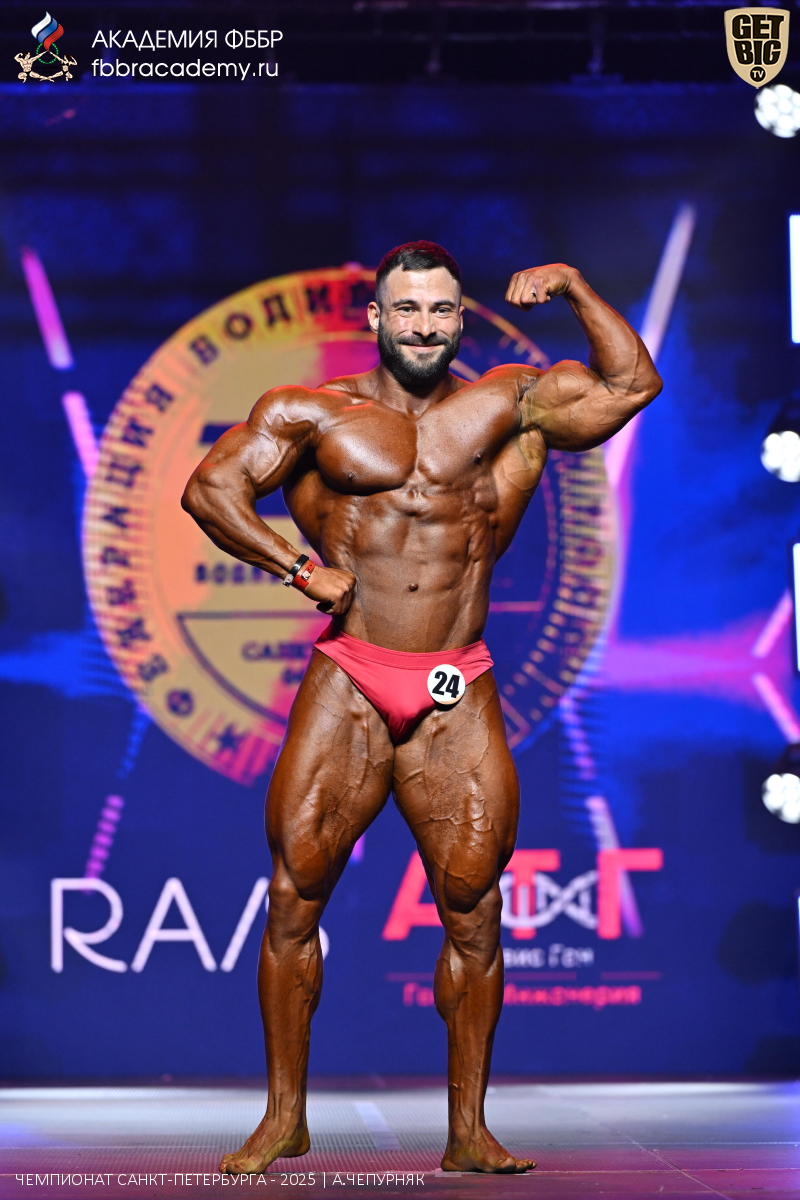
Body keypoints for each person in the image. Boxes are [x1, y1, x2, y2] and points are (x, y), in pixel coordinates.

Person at [182, 241, 661, 1174]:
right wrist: (297, 567)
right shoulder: (313, 413)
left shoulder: (513, 404)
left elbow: (631, 384)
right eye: (407, 309)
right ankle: (284, 1118)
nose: (424, 325)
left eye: (441, 310)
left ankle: (468, 1132)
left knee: (474, 909)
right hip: (350, 674)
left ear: (462, 319)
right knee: (294, 896)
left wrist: (573, 285)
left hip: (455, 682)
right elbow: (210, 489)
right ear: (376, 317)